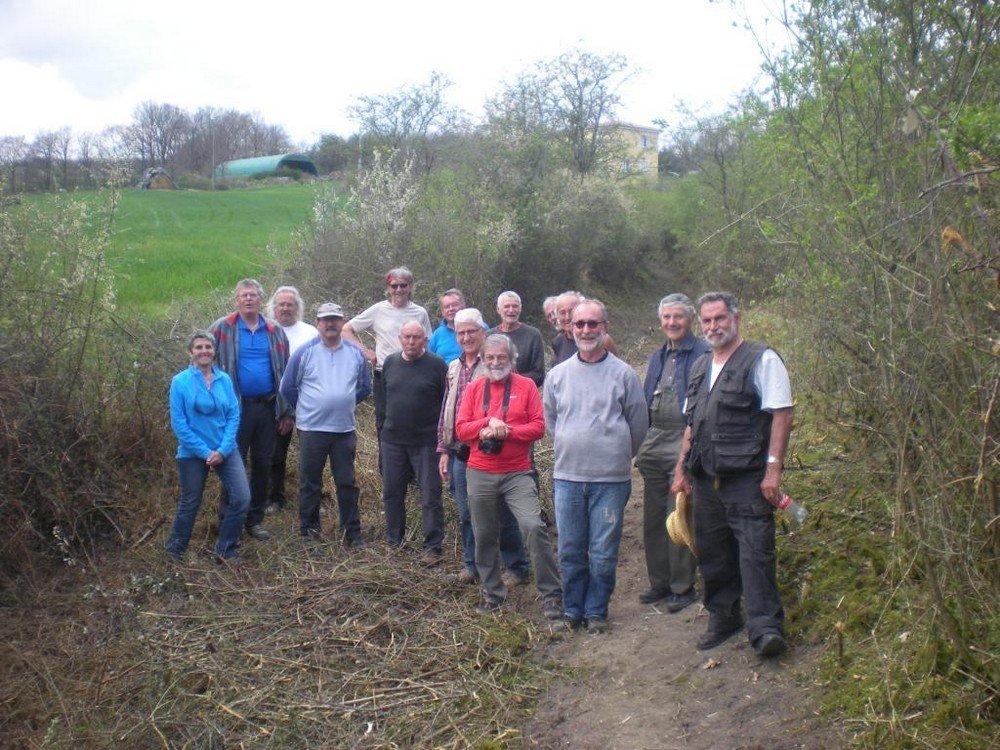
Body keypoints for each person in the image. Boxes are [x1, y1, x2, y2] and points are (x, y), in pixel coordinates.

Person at [672, 292, 794, 659]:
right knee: (714, 554)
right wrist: (681, 470)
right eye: (707, 321)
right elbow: (691, 424)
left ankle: (765, 628)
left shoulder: (762, 358)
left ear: (736, 319)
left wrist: (773, 470)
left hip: (748, 478)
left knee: (755, 553)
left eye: (719, 318)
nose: (713, 326)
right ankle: (723, 618)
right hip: (706, 479)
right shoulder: (699, 367)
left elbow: (782, 414)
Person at [544, 299, 648, 634]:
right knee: (571, 549)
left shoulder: (624, 374)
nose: (586, 330)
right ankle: (572, 609)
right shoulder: (557, 375)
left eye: (593, 324)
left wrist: (615, 453)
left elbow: (638, 424)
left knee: (603, 552)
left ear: (605, 328)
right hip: (568, 477)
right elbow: (552, 421)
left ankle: (596, 611)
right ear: (570, 328)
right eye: (580, 324)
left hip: (611, 480)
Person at [456, 334, 563, 619]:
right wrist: (486, 424)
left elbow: (539, 428)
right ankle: (493, 593)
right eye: (490, 358)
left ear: (511, 359)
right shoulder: (475, 388)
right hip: (480, 471)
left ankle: (551, 594)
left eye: (501, 357)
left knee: (532, 526)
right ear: (482, 360)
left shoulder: (526, 386)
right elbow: (462, 430)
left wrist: (507, 431)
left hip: (517, 472)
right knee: (484, 533)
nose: (495, 362)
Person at [438, 309, 530, 585]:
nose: (465, 337)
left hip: (494, 452)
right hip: (460, 451)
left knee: (503, 513)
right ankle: (473, 564)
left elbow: (514, 411)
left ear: (483, 333)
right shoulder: (454, 366)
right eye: (460, 332)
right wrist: (443, 448)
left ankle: (515, 566)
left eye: (471, 331)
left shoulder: (494, 363)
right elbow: (446, 409)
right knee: (468, 513)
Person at [635, 293, 710, 611]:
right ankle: (660, 582)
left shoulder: (704, 353)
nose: (671, 323)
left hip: (684, 438)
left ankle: (683, 586)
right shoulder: (657, 356)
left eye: (678, 316)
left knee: (677, 513)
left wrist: (692, 451)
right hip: (654, 439)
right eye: (666, 317)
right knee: (652, 517)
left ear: (690, 319)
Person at [280, 302, 371, 546]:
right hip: (311, 430)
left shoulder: (355, 354)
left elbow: (364, 388)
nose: (330, 324)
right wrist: (309, 409)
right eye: (325, 319)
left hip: (343, 430)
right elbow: (287, 387)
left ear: (342, 323)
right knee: (310, 482)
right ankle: (309, 532)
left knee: (347, 483)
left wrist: (343, 403)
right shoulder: (304, 352)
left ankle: (352, 534)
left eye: (335, 319)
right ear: (317, 323)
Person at [209, 279, 292, 542]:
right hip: (236, 409)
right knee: (233, 462)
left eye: (253, 295)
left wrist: (286, 411)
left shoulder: (274, 330)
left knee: (263, 464)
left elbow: (286, 372)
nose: (248, 299)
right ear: (236, 300)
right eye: (243, 295)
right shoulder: (222, 328)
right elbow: (201, 359)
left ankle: (254, 520)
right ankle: (228, 518)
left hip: (267, 408)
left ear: (260, 300)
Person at [166, 330, 250, 563]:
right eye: (199, 347)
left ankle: (225, 550)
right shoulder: (180, 382)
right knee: (190, 502)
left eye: (208, 347)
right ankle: (175, 552)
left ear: (214, 351)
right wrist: (206, 452)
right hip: (192, 452)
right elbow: (179, 424)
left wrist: (222, 450)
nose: (204, 351)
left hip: (226, 449)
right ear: (190, 352)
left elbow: (234, 414)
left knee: (242, 498)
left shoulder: (224, 379)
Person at [380, 321, 449, 565]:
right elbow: (384, 398)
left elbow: (445, 404)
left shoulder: (437, 365)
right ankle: (394, 542)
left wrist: (444, 444)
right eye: (407, 337)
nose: (411, 342)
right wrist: (383, 430)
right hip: (392, 441)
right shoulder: (390, 362)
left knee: (430, 495)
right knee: (392, 493)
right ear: (400, 338)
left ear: (425, 340)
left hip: (426, 442)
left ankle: (432, 547)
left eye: (416, 337)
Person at [341, 266, 433, 436]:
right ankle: (386, 462)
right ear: (388, 288)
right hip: (384, 373)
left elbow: (428, 342)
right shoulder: (379, 309)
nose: (398, 289)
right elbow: (346, 330)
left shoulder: (420, 312)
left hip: (413, 372)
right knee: (384, 423)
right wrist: (366, 352)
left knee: (413, 419)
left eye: (403, 285)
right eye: (394, 285)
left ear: (410, 287)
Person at [266, 285, 319, 514]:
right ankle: (274, 499)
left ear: (297, 308)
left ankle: (312, 499)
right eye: (281, 304)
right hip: (275, 403)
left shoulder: (310, 332)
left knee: (312, 454)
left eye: (290, 304)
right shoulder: (265, 330)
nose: (285, 308)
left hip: (308, 402)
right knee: (275, 453)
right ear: (273, 308)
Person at [488, 291, 545, 387]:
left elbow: (538, 374)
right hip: (494, 393)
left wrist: (511, 379)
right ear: (498, 309)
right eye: (506, 306)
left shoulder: (533, 335)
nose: (511, 310)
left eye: (515, 306)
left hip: (523, 393)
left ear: (520, 308)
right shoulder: (489, 336)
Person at [550, 291, 620, 366]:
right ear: (557, 316)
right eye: (562, 313)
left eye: (571, 311)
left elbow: (616, 369)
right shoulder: (558, 342)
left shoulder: (603, 340)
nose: (567, 317)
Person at [428, 288, 467, 364]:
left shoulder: (478, 328)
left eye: (455, 305)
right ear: (442, 311)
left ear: (463, 306)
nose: (451, 309)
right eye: (447, 306)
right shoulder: (437, 336)